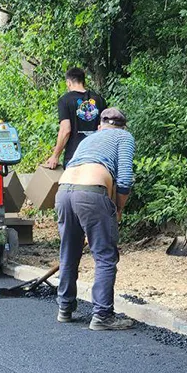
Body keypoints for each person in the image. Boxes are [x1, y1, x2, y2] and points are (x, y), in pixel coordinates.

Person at [54, 108, 135, 331]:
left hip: (63, 191)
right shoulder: (124, 137)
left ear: (100, 126)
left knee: (69, 252)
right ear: (123, 126)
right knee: (105, 256)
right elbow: (125, 178)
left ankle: (65, 308)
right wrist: (117, 209)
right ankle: (102, 315)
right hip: (91, 192)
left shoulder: (89, 139)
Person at [43, 67, 108, 170]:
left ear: (68, 83)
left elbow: (66, 130)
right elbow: (106, 128)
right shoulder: (99, 100)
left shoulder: (65, 100)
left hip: (75, 157)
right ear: (83, 81)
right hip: (97, 156)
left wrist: (55, 156)